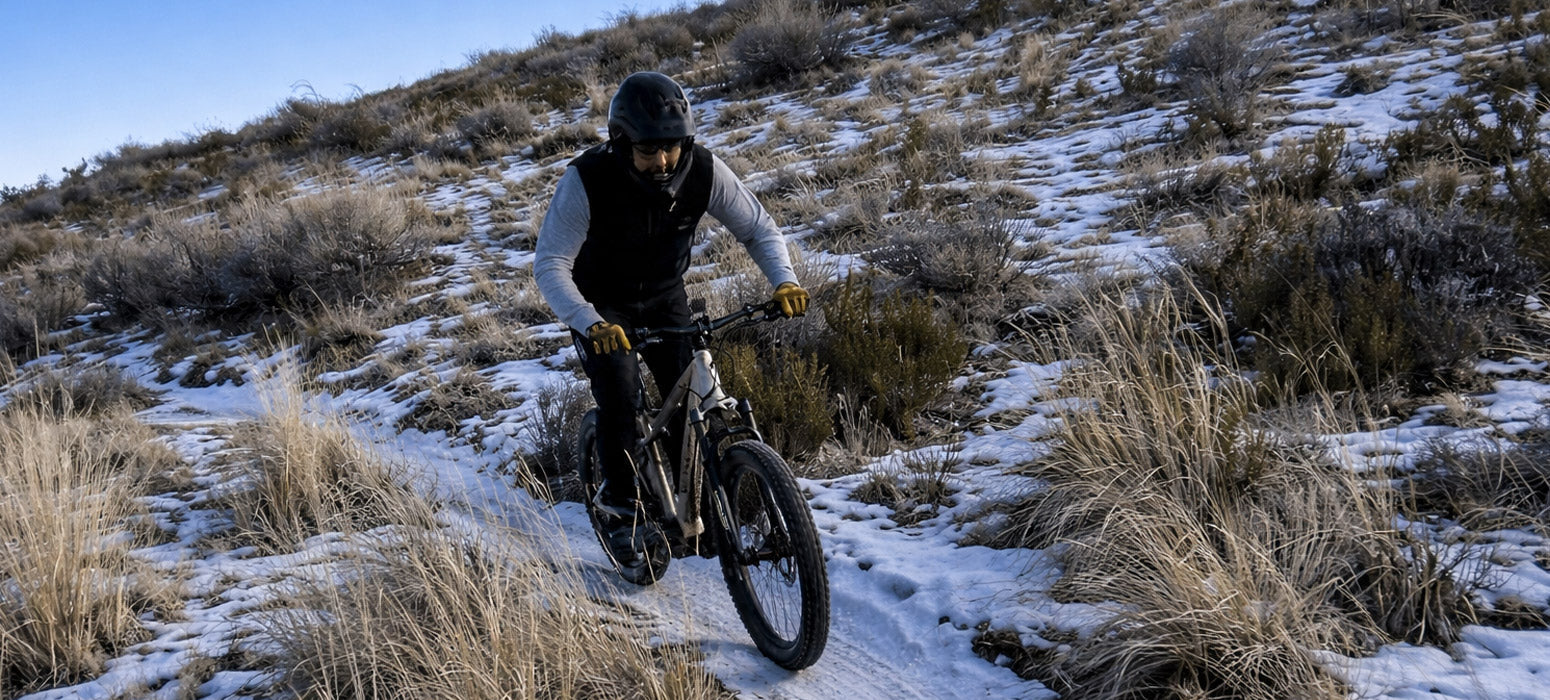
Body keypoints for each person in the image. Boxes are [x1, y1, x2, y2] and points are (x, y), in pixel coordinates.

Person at [534, 71, 809, 554]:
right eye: (648, 149)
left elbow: (758, 229)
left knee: (692, 399)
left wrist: (783, 280)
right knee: (620, 392)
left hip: (665, 295)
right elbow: (551, 264)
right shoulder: (587, 179)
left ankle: (698, 514)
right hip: (601, 304)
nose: (662, 160)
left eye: (672, 147)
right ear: (622, 142)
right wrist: (590, 321)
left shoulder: (703, 169)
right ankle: (620, 507)